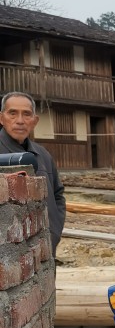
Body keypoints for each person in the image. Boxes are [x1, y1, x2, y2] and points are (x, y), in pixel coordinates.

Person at [0, 91, 66, 255]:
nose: (20, 121)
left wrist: (54, 232)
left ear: (35, 121)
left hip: (45, 250)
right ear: (1, 118)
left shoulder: (43, 154)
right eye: (12, 113)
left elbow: (58, 195)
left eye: (26, 114)